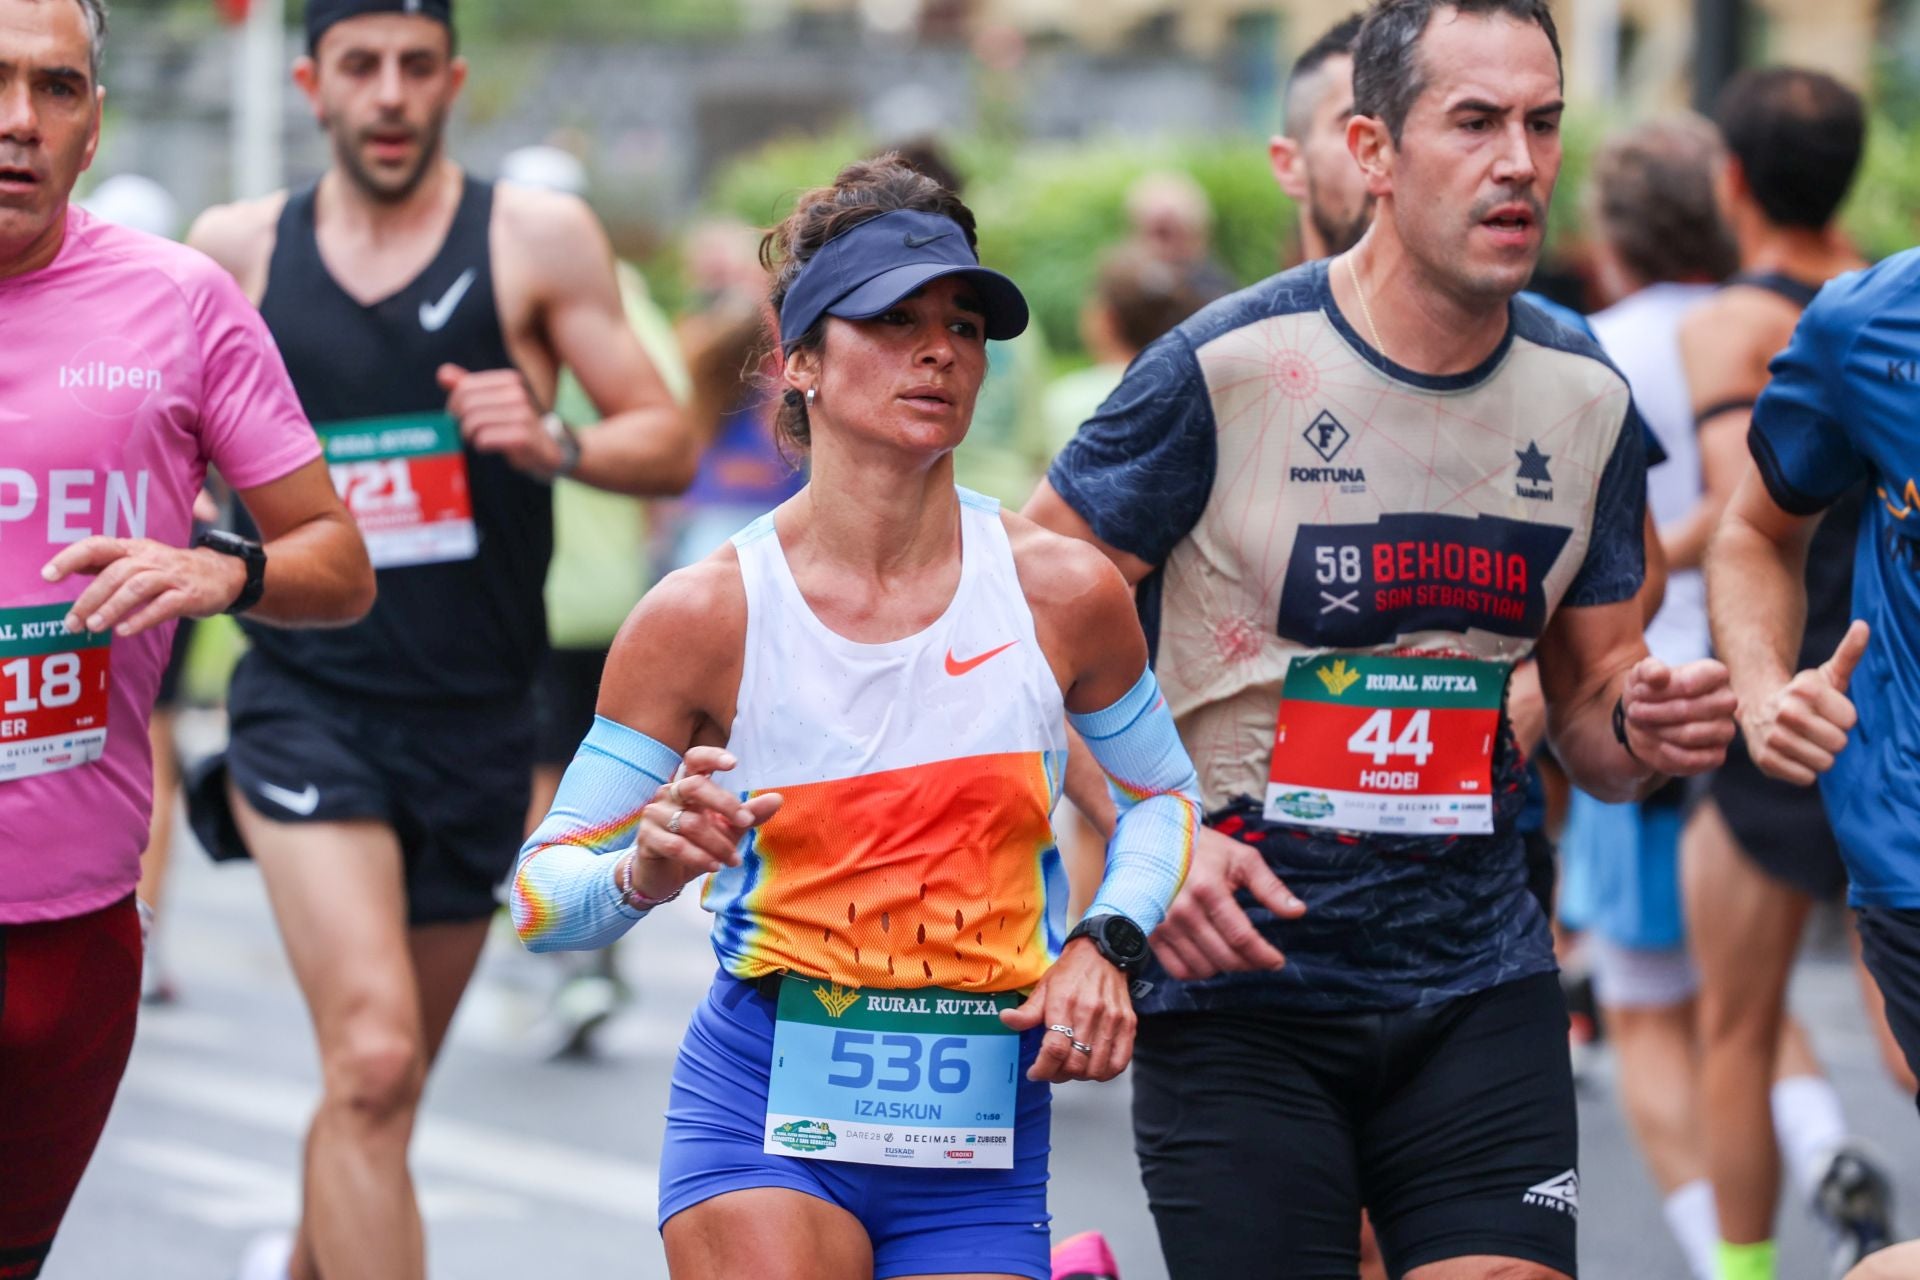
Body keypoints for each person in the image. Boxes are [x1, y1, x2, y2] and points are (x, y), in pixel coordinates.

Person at [1026, 2, 1739, 1276]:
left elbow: (1593, 708)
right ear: (1372, 149)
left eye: (1542, 123)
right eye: (1474, 122)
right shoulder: (1228, 367)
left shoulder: (1586, 398)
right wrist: (1151, 838)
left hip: (1480, 981)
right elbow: (1020, 628)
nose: (1518, 160)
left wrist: (1646, 723)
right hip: (1244, 993)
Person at [511, 156, 1199, 1280]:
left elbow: (1160, 797)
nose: (941, 350)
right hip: (767, 1111)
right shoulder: (703, 615)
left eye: (966, 325)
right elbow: (542, 901)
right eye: (894, 320)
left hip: (979, 1130)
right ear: (801, 361)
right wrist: (641, 866)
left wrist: (1105, 940)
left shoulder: (1062, 590)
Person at [179, 3, 695, 1278]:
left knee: (382, 1090)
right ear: (312, 83)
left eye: (418, 67)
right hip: (306, 695)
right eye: (362, 67)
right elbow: (168, 447)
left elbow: (665, 438)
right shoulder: (236, 249)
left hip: (475, 715)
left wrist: (555, 437)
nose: (393, 94)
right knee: (370, 1055)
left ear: (453, 78)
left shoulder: (533, 236)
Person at [0, 0, 374, 1274]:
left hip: (72, 921)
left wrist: (216, 568)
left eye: (55, 88)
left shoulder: (178, 301)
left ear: (94, 122)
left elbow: (338, 558)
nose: (17, 123)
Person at [1676, 66, 1899, 1280]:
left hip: (1788, 694)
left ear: (1734, 179)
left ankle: (1747, 1269)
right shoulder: (1878, 292)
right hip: (1888, 700)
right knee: (1890, 1015)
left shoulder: (1740, 322)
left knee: (1739, 1028)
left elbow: (1735, 507)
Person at [1550, 114, 1745, 1280]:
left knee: (1655, 1005)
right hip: (1756, 689)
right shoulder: (1757, 331)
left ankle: (1724, 1254)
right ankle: (1816, 1149)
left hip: (1639, 693)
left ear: (1608, 233)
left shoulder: (1586, 351)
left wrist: (1638, 553)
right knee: (1750, 1009)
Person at [1268, 13, 1371, 263]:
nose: (1385, 152)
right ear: (1288, 165)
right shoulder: (1250, 304)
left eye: (1400, 125)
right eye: (1357, 130)